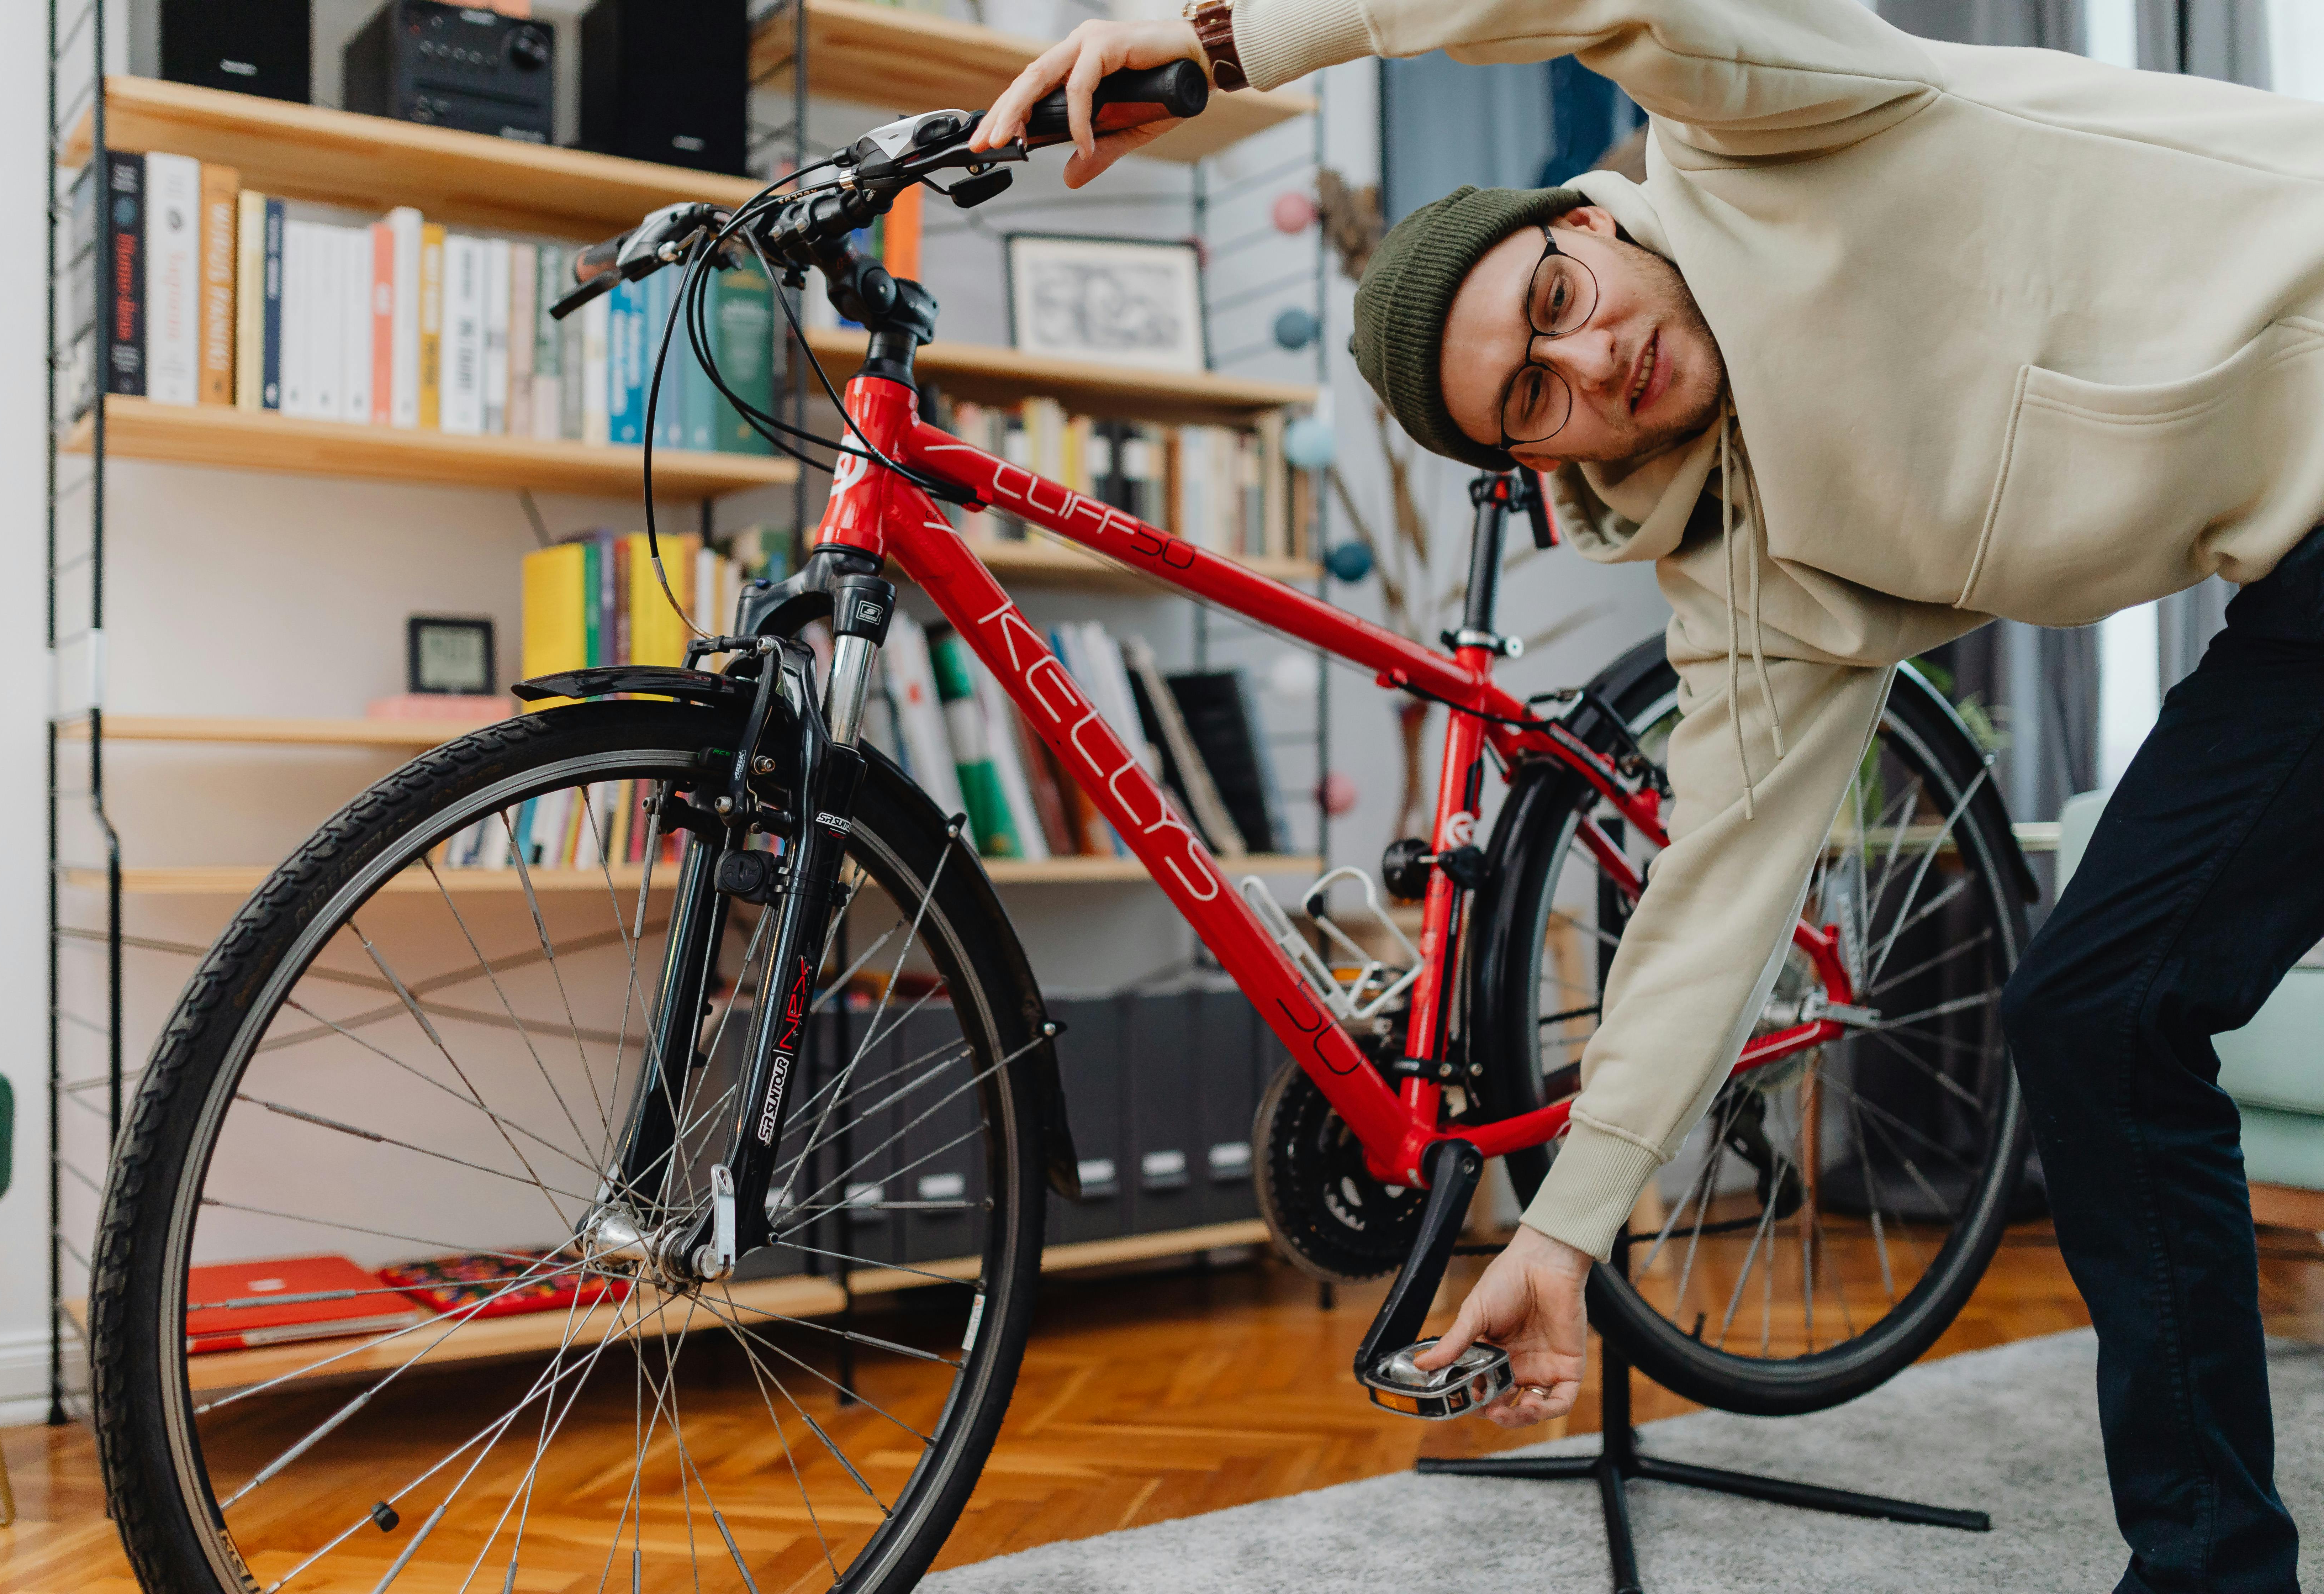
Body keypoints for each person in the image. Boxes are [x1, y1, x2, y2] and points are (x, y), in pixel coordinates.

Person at [978, 4, 2324, 1590]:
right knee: (2097, 1013)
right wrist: (1564, 1234)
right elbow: (1714, 896)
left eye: (1559, 298)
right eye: (1531, 395)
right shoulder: (1754, 568)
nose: (1591, 360)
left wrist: (1223, 40)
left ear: (1591, 217)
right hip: (2301, 587)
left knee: (2102, 1009)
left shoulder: (1773, 121)